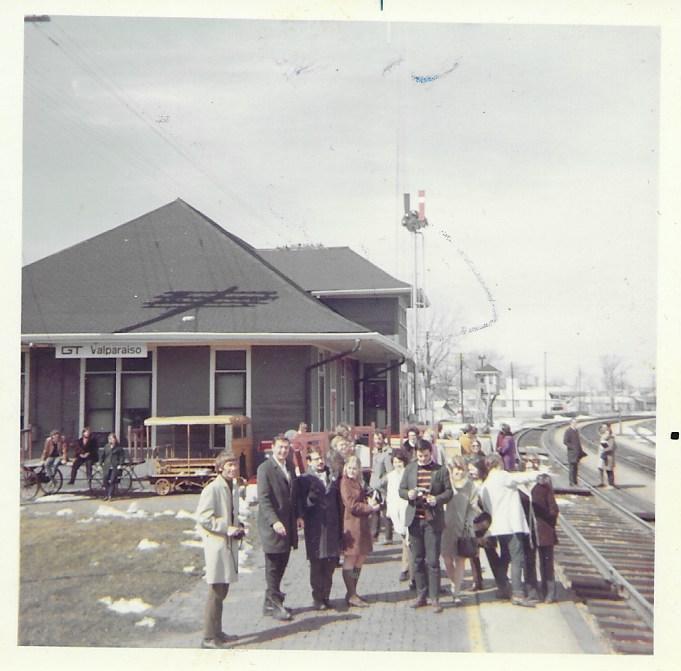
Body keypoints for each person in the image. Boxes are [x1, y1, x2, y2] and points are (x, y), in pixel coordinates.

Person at [478, 454, 543, 607]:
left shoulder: (485, 485)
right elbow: (521, 478)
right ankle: (518, 593)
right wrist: (539, 474)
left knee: (505, 556)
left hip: (498, 527)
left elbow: (487, 507)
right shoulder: (503, 476)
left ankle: (502, 587)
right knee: (517, 558)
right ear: (499, 463)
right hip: (512, 525)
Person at [194, 450, 244, 649]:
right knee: (216, 591)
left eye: (235, 465)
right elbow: (204, 517)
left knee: (223, 589)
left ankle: (217, 631)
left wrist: (238, 526)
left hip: (228, 545)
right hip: (217, 545)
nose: (233, 469)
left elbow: (230, 513)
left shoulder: (231, 486)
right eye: (229, 465)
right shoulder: (213, 488)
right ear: (220, 468)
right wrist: (226, 528)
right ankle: (208, 637)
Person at [399, 441, 453, 613]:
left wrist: (436, 499)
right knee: (417, 559)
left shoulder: (440, 470)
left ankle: (435, 598)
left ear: (431, 452)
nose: (423, 459)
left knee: (432, 561)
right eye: (420, 456)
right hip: (415, 519)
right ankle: (421, 595)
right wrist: (409, 494)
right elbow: (401, 489)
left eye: (426, 455)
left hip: (432, 520)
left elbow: (449, 492)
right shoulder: (410, 469)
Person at [257, 434, 299, 621]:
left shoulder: (289, 466)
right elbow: (264, 499)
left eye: (286, 448)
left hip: (288, 524)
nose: (283, 451)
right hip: (273, 526)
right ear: (272, 447)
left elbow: (293, 493)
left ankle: (271, 601)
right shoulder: (265, 469)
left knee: (283, 561)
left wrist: (298, 517)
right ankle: (274, 604)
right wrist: (274, 521)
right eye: (280, 447)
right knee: (273, 565)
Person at [297, 450, 343, 610]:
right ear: (309, 461)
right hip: (315, 527)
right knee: (317, 563)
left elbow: (338, 501)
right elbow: (300, 503)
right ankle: (317, 597)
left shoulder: (333, 476)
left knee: (330, 563)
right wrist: (310, 500)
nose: (320, 461)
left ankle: (326, 596)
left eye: (321, 458)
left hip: (332, 525)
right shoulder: (304, 479)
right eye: (316, 459)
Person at [340, 455, 380, 607]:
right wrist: (369, 508)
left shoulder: (358, 481)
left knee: (360, 558)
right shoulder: (345, 483)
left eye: (354, 468)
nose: (351, 471)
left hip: (362, 524)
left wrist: (370, 500)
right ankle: (351, 593)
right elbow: (351, 505)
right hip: (352, 524)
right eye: (349, 468)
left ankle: (353, 590)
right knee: (351, 558)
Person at [441, 456, 478, 605]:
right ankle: (453, 583)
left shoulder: (470, 486)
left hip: (463, 527)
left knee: (460, 560)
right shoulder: (445, 484)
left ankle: (456, 592)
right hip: (445, 527)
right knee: (447, 559)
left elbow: (473, 506)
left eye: (461, 469)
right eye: (456, 469)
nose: (459, 472)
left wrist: (468, 522)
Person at [531, 472, 560, 603]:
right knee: (540, 563)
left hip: (543, 530)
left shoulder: (544, 488)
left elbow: (553, 509)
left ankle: (549, 592)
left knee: (546, 563)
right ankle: (544, 592)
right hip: (535, 530)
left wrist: (546, 519)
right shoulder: (529, 488)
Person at [385, 451, 412, 584]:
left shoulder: (409, 474)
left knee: (408, 541)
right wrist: (389, 512)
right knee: (405, 540)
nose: (397, 465)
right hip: (396, 512)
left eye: (399, 462)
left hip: (407, 510)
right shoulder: (390, 476)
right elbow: (390, 495)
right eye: (395, 462)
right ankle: (407, 568)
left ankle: (406, 568)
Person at [369, 431, 394, 544]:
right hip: (374, 487)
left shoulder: (387, 454)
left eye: (379, 438)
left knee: (386, 512)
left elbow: (390, 473)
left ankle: (388, 537)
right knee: (375, 511)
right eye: (375, 438)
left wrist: (380, 482)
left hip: (383, 488)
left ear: (384, 439)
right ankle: (374, 535)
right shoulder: (375, 452)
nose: (377, 441)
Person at [99, 432, 125, 501]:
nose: (110, 440)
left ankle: (110, 495)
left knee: (112, 481)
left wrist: (120, 464)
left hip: (114, 466)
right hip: (107, 466)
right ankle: (106, 495)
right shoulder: (106, 446)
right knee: (105, 480)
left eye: (111, 439)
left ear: (115, 439)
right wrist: (100, 463)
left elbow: (122, 457)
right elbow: (103, 455)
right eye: (109, 439)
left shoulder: (118, 448)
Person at [563, 419, 586, 486]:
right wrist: (572, 447)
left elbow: (578, 442)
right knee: (572, 467)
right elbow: (565, 441)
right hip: (571, 453)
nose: (575, 424)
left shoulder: (576, 431)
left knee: (576, 467)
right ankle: (571, 482)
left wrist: (580, 451)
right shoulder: (568, 431)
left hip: (577, 453)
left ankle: (575, 481)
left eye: (576, 423)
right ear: (571, 423)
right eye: (574, 423)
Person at [597, 423, 617, 488]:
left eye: (607, 431)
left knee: (609, 470)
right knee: (601, 468)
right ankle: (602, 482)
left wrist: (605, 449)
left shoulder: (611, 438)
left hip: (609, 457)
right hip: (603, 456)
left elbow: (611, 447)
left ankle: (611, 484)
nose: (606, 432)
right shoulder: (603, 437)